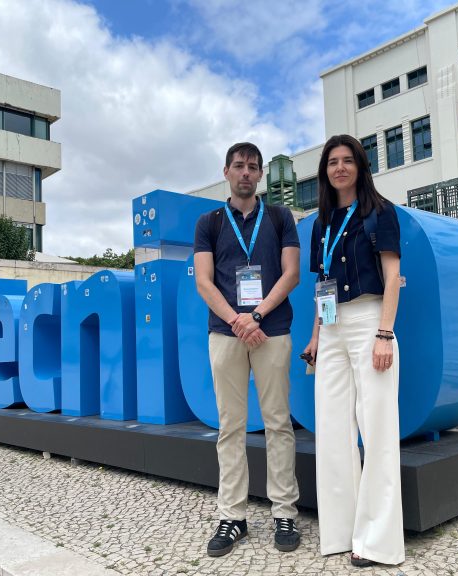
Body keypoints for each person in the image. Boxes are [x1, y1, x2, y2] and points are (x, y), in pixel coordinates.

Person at [194, 142, 302, 557]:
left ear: (260, 175)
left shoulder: (279, 217)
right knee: (231, 426)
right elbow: (204, 281)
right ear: (226, 172)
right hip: (225, 334)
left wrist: (255, 316)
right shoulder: (209, 222)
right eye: (238, 166)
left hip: (271, 330)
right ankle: (233, 516)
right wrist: (237, 321)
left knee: (278, 423)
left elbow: (291, 274)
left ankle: (284, 512)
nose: (245, 173)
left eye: (252, 167)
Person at [303, 134, 404, 567]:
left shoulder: (381, 212)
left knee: (377, 427)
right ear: (324, 171)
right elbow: (321, 283)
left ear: (361, 166)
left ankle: (378, 541)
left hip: (369, 321)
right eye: (332, 162)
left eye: (348, 160)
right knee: (331, 429)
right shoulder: (321, 224)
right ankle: (342, 531)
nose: (340, 168)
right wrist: (316, 335)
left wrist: (385, 333)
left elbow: (393, 276)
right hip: (332, 327)